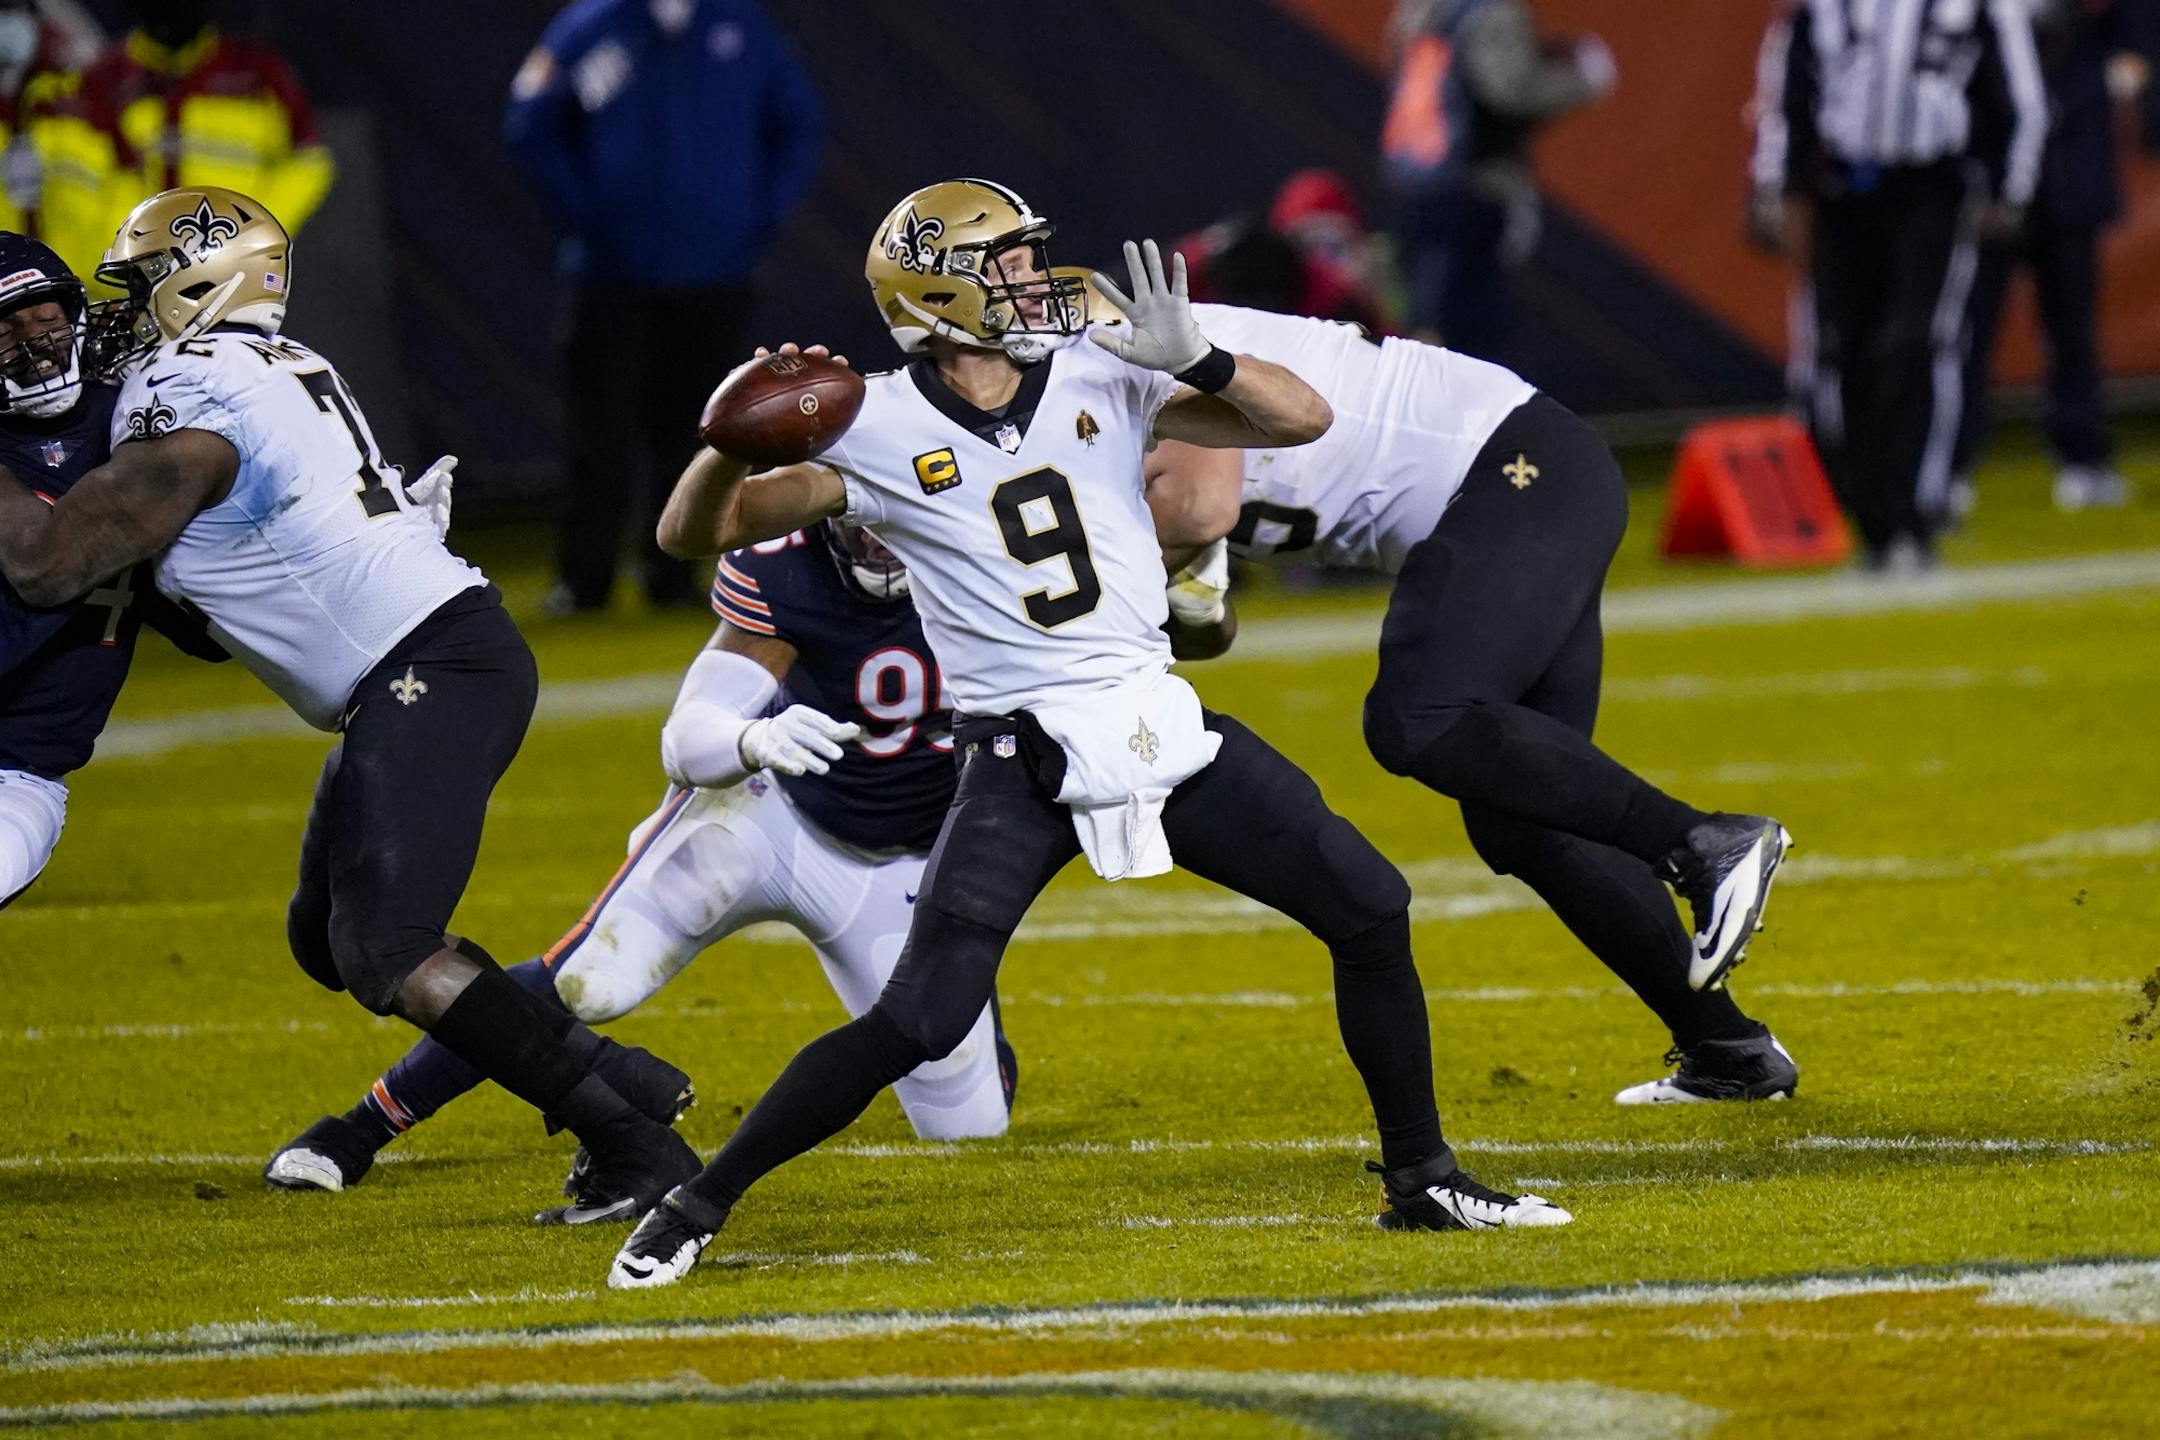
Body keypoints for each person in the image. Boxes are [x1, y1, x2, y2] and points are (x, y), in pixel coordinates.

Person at [607, 178, 1577, 1291]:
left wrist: (1200, 358)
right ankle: (695, 1204)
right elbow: (699, 532)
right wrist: (728, 444)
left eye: (1028, 256)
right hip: (1019, 754)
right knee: (919, 1020)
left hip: (1155, 721)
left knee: (1369, 906)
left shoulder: (1103, 366)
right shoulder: (874, 421)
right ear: (937, 292)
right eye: (1005, 262)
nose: (1031, 277)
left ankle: (1424, 1178)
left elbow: (1302, 419)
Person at [0, 185, 700, 1225]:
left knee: (388, 947)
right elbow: (195, 600)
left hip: (427, 665)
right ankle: (616, 1075)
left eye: (144, 287)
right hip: (420, 662)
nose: (123, 312)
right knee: (326, 940)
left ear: (203, 285)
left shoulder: (194, 394)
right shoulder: (266, 363)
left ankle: (634, 1147)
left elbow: (51, 565)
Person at [1145, 305, 1798, 1106]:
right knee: (1527, 817)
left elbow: (1197, 507)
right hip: (1525, 486)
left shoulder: (1110, 341)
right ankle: (1728, 1048)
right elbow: (1209, 627)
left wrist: (1120, 558)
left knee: (1420, 718)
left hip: (1513, 470)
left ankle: (1706, 843)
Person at [265, 520, 1018, 1197]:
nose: (879, 543)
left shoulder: (998, 561)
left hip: (902, 867)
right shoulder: (788, 567)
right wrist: (748, 739)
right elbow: (687, 735)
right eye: (861, 517)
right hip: (766, 814)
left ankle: (970, 1010)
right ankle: (364, 1124)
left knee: (969, 1124)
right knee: (591, 979)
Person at [504, 0, 824, 615]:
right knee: (599, 432)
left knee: (700, 430)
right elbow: (529, 123)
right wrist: (587, 217)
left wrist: (756, 216)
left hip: (714, 273)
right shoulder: (590, 27)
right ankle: (584, 579)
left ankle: (674, 576)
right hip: (612, 276)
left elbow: (800, 121)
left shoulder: (740, 25)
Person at [1750, 0, 2047, 570]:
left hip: (1932, 189)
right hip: (1844, 191)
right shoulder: (1820, 11)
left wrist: (2010, 188)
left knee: (1916, 344)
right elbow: (1787, 94)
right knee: (1844, 352)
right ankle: (1872, 518)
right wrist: (1773, 184)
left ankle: (1917, 511)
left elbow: (2019, 96)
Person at [0, 231, 223, 907]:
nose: (35, 341)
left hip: (19, 771)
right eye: (5, 330)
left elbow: (208, 633)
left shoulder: (132, 421)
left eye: (46, 318)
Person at [1956, 0, 2149, 514]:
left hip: (2068, 174)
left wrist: (2122, 72)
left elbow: (2135, 37)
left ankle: (2083, 459)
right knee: (1969, 330)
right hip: (1991, 183)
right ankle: (1951, 465)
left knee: (2072, 332)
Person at [1380, 0, 1615, 355]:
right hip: (1470, 188)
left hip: (1413, 180)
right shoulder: (1492, 10)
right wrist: (1581, 82)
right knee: (1468, 331)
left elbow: (1400, 69)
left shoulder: (1422, 10)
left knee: (1423, 320)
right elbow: (1511, 90)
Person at [68, 0, 333, 271]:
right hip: (132, 276)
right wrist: (125, 251)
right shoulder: (105, 80)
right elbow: (82, 184)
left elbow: (308, 160)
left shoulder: (257, 74)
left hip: (234, 272)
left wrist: (254, 234)